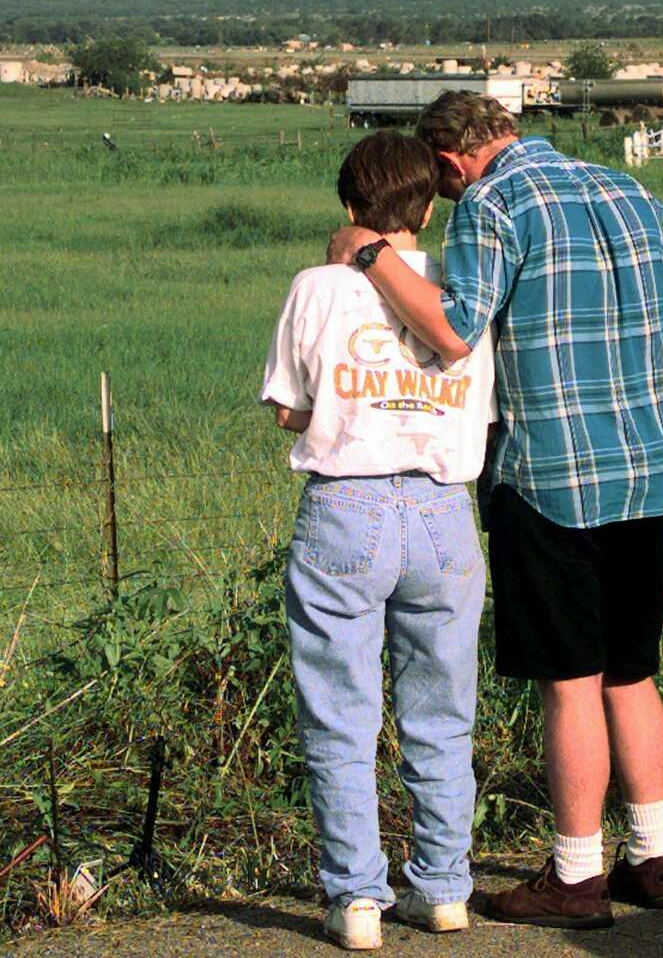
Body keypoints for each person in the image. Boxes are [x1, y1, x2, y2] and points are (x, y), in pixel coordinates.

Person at [328, 92, 663, 931]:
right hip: (648, 469)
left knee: (572, 680)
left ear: (450, 163)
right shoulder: (630, 190)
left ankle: (577, 874)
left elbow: (454, 330)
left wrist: (370, 253)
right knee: (632, 671)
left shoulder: (494, 202)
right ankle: (654, 857)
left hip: (552, 478)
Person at [261, 130, 496, 951]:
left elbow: (287, 406)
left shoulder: (317, 286)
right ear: (427, 210)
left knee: (340, 715)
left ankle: (358, 897)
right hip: (443, 511)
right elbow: (481, 409)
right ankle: (443, 887)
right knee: (443, 713)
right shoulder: (463, 289)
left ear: (348, 205)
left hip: (345, 507)